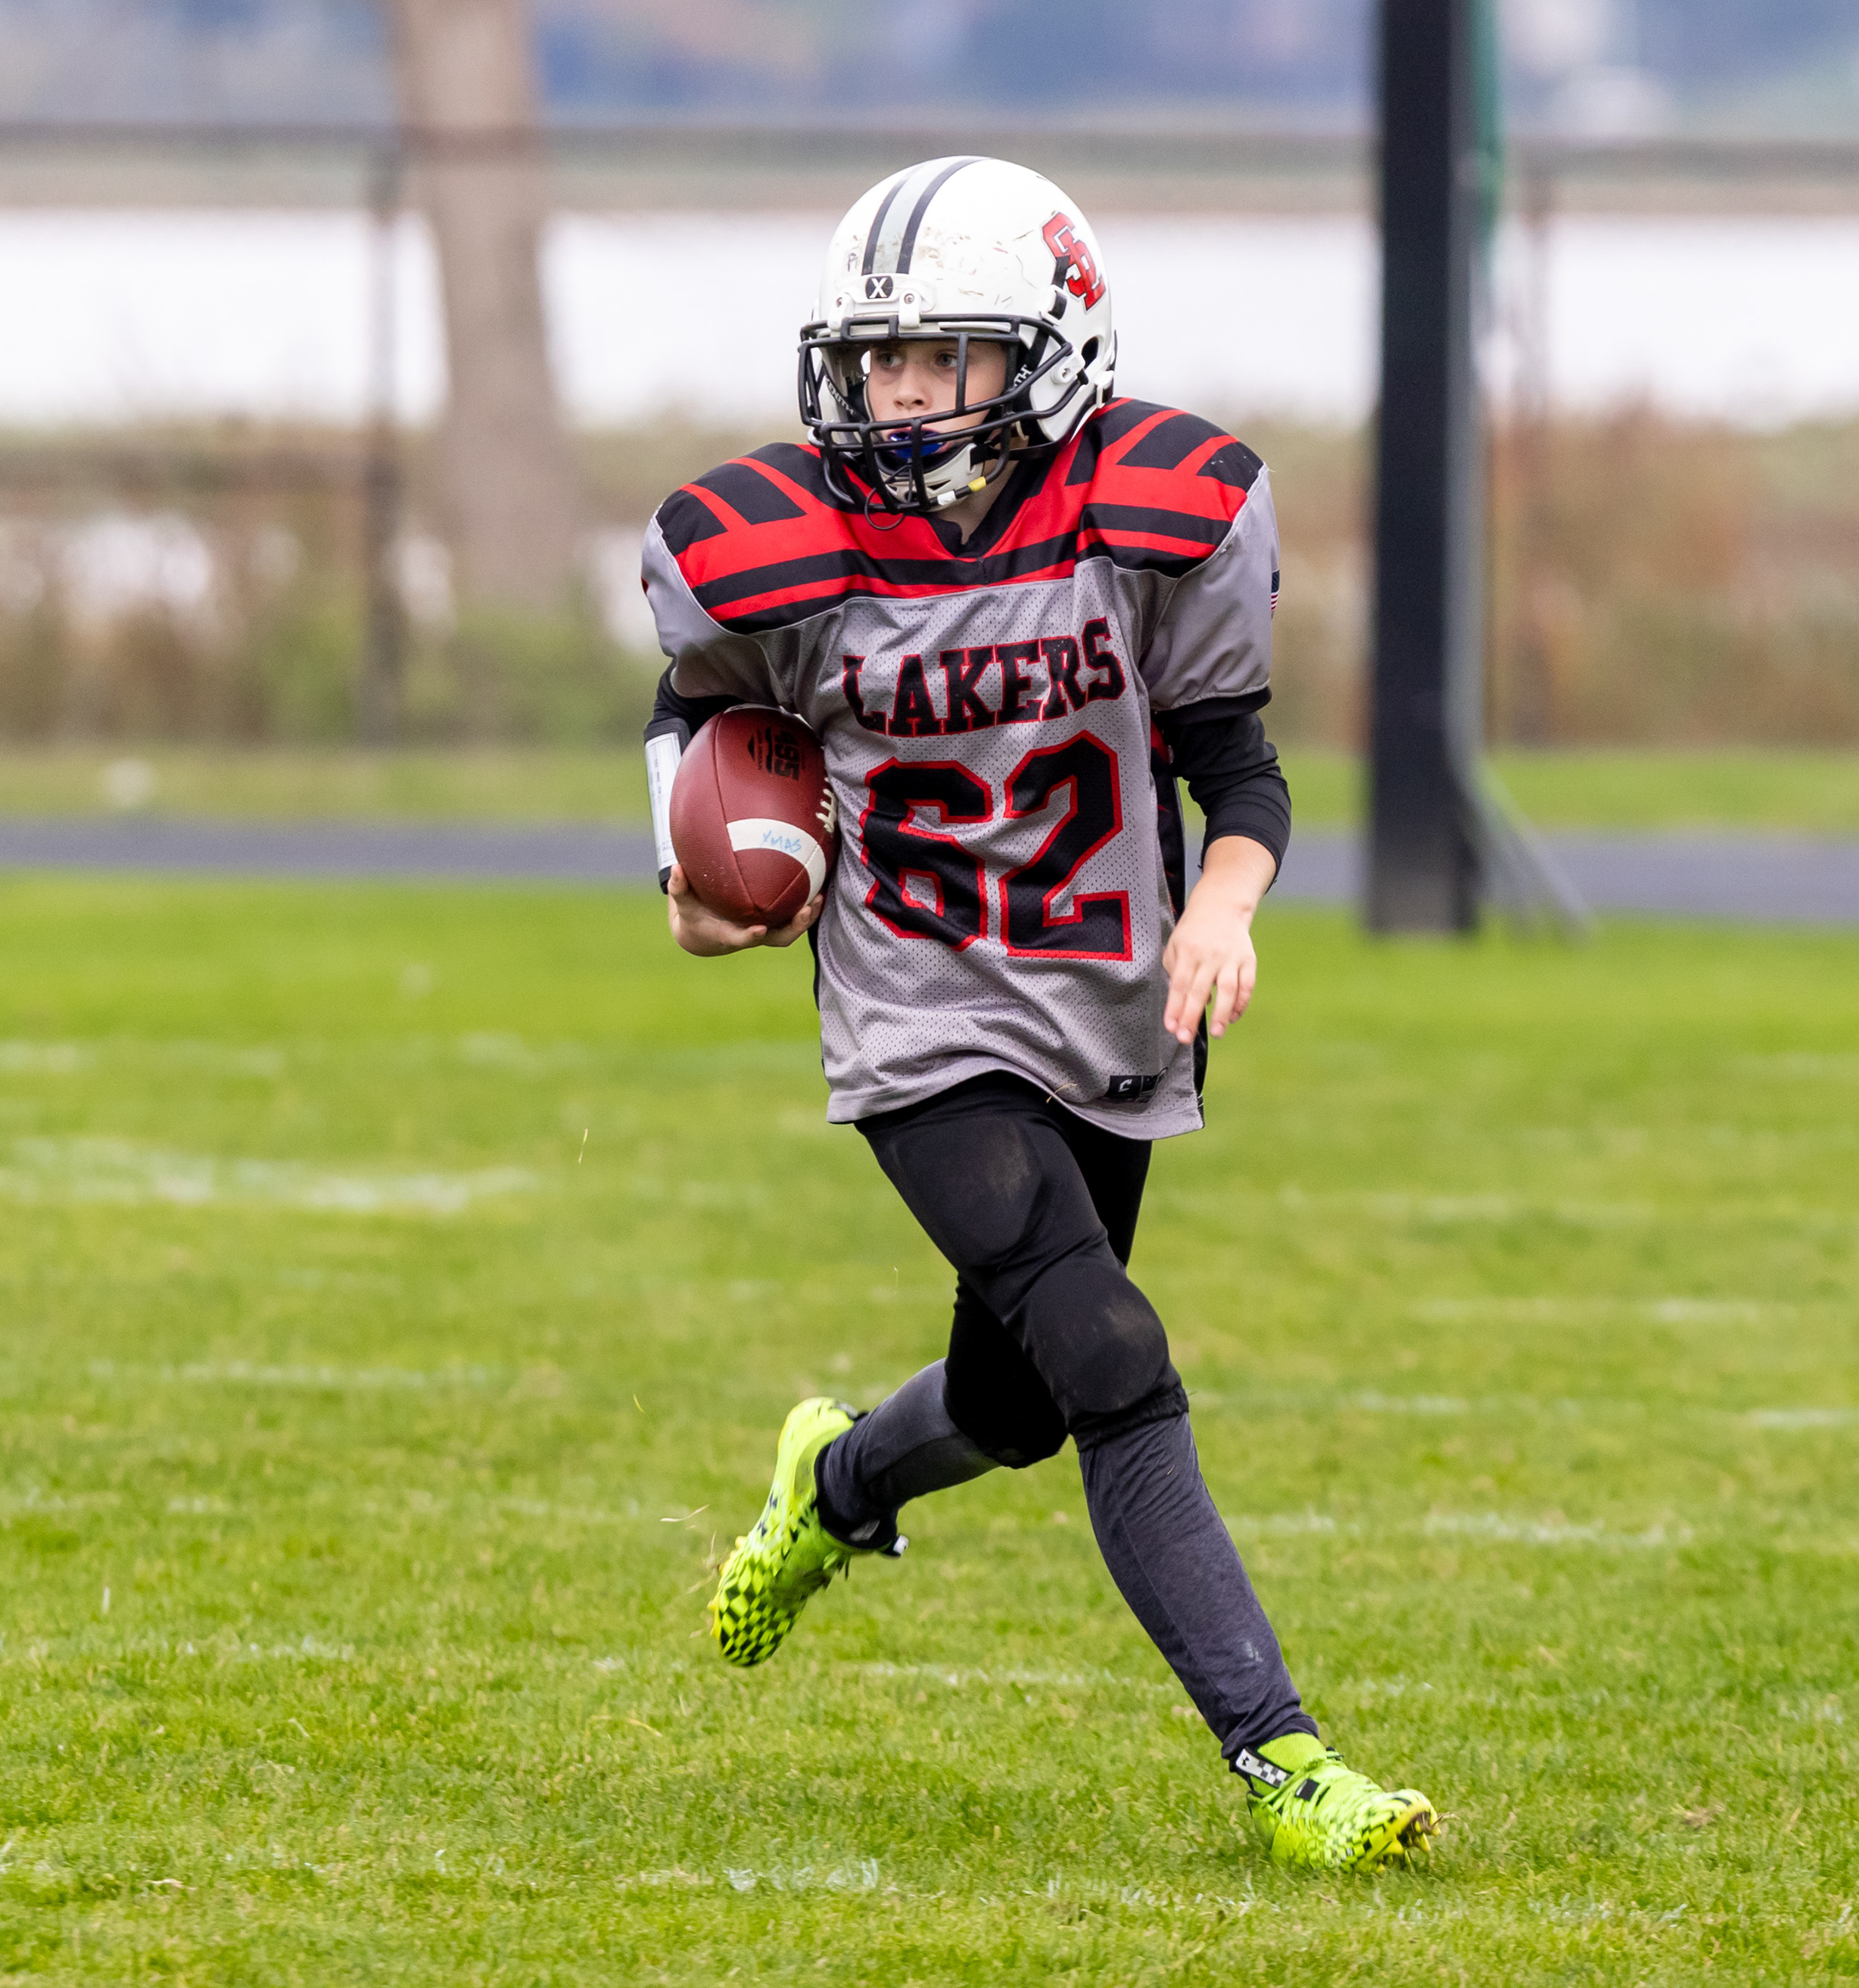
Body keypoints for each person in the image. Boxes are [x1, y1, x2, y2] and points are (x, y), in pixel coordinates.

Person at [640, 156, 1437, 1873]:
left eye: (942, 358)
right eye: (879, 361)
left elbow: (1236, 765)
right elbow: (694, 717)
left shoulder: (1151, 519)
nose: (901, 397)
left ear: (1051, 349)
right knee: (1111, 1355)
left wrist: (1223, 902)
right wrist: (693, 879)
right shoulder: (784, 553)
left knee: (1013, 1405)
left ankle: (836, 1485)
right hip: (918, 1014)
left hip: (1108, 1003)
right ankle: (1291, 1766)